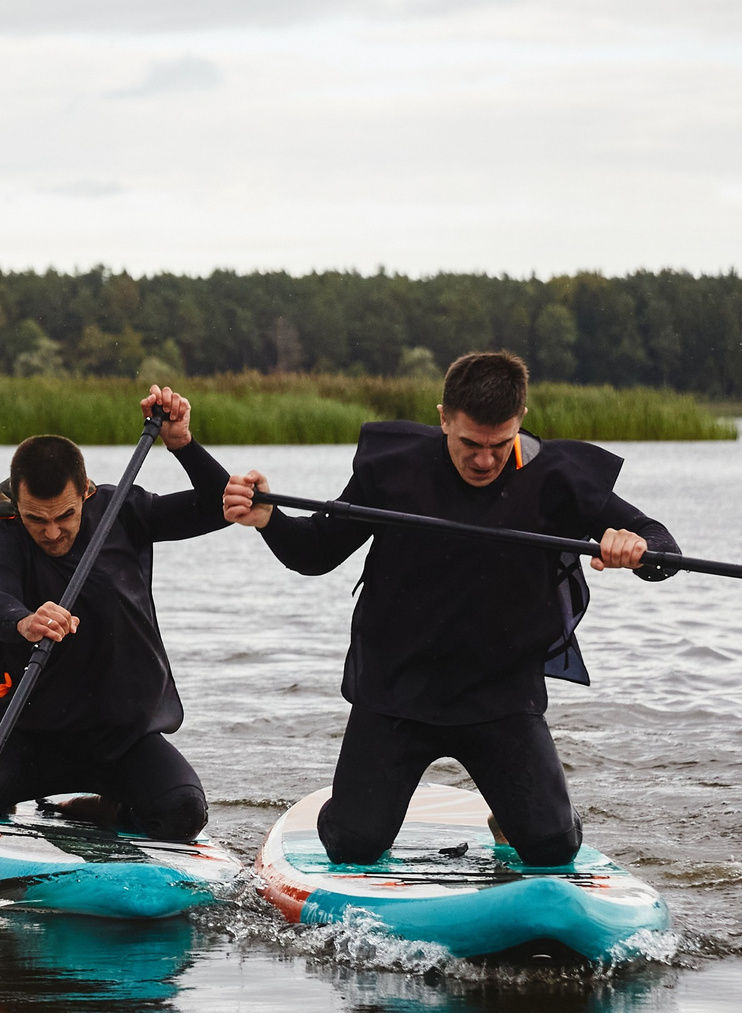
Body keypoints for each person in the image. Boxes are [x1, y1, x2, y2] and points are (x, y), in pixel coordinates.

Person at [221, 350, 678, 867]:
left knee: (552, 848)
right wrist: (269, 519)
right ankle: (348, 806)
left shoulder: (555, 476)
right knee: (355, 845)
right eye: (469, 444)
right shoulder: (392, 468)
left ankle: (516, 815)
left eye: (499, 445)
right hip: (396, 690)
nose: (484, 460)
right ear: (443, 418)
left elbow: (665, 547)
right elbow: (317, 552)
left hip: (500, 694)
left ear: (520, 421)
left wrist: (639, 553)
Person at [0, 386, 234, 841]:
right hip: (30, 738)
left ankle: (106, 812)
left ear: (86, 492)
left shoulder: (122, 510)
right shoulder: (1, 536)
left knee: (183, 813)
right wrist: (25, 621)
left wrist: (183, 444)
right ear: (17, 503)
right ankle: (22, 807)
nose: (52, 532)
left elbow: (221, 506)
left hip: (121, 740)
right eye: (37, 519)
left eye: (65, 516)